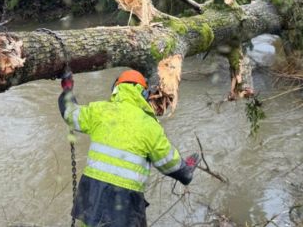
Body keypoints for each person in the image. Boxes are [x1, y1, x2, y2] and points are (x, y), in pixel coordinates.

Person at [58, 69, 199, 227]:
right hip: (126, 204)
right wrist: (186, 171)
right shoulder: (149, 125)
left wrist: (67, 88)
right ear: (145, 95)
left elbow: (70, 113)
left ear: (115, 89)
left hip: (92, 197)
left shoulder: (99, 111)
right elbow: (169, 164)